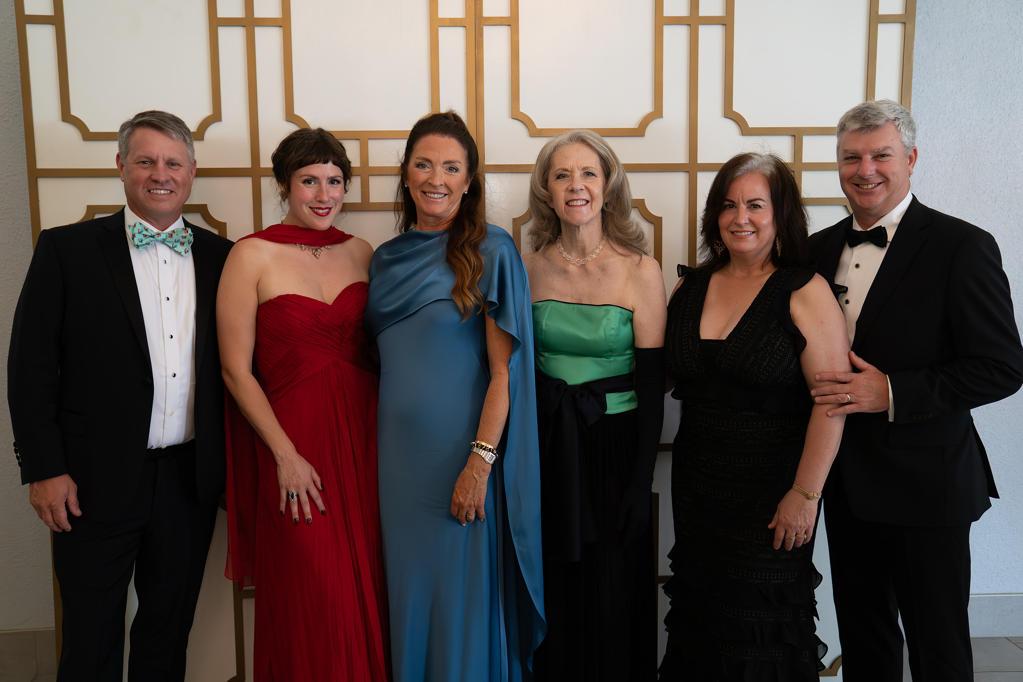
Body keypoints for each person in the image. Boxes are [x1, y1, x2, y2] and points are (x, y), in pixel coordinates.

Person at [7, 110, 232, 681]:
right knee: (89, 636)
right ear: (121, 166)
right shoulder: (66, 250)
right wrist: (44, 468)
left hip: (188, 481)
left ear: (191, 171)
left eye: (173, 163)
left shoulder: (222, 257)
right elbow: (30, 368)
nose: (161, 174)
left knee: (167, 633)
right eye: (146, 161)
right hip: (89, 482)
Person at [807, 100, 1023, 682]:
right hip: (845, 479)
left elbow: (1002, 366)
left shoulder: (962, 245)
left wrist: (892, 392)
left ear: (911, 159)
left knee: (938, 645)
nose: (865, 170)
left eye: (881, 155)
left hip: (930, 484)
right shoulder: (816, 249)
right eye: (851, 157)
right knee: (864, 635)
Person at [365, 111, 545, 682]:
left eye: (450, 167)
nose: (435, 178)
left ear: (469, 181)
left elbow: (504, 374)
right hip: (397, 470)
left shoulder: (493, 250)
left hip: (461, 464)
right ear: (406, 173)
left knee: (461, 612)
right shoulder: (383, 259)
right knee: (409, 603)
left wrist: (480, 463)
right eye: (423, 164)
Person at [660, 152, 850, 680]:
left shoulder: (805, 290)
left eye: (755, 205)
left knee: (761, 631)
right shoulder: (690, 286)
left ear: (780, 213)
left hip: (774, 494)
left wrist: (805, 495)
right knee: (703, 623)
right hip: (697, 489)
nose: (740, 217)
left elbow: (831, 403)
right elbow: (664, 376)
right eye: (728, 205)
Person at [217, 127, 389, 680]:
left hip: (366, 446)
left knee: (373, 587)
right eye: (309, 180)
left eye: (334, 181)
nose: (323, 194)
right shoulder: (251, 255)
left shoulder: (361, 252)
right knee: (313, 595)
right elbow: (235, 371)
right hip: (295, 450)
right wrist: (285, 456)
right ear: (284, 186)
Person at [523, 130, 665, 681]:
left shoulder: (640, 269)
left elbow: (652, 388)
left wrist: (640, 481)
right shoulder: (528, 266)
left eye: (588, 173)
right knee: (557, 590)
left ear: (608, 186)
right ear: (546, 189)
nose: (575, 185)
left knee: (612, 594)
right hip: (548, 447)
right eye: (561, 175)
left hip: (616, 449)